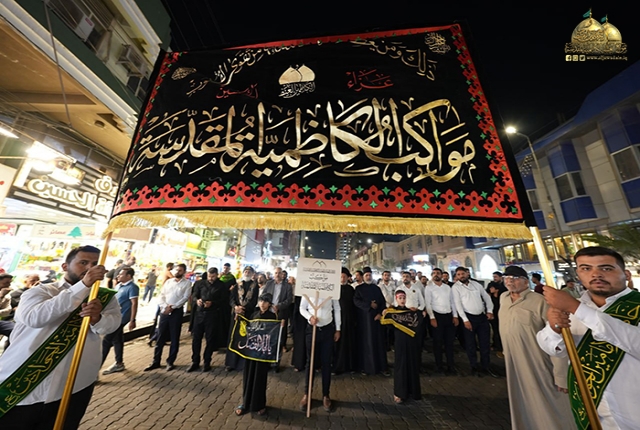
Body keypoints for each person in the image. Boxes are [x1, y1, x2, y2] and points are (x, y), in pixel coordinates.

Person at [0, 246, 120, 429]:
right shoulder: (41, 291)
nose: (90, 268)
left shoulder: (105, 298)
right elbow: (34, 318)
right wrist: (83, 287)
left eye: (95, 264)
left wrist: (97, 318)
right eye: (83, 262)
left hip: (75, 384)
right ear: (65, 266)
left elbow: (112, 325)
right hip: (23, 381)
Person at [537, 246, 640, 429]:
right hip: (593, 411)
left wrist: (577, 309)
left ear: (626, 274)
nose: (596, 274)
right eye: (586, 268)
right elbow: (554, 349)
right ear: (578, 274)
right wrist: (554, 328)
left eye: (606, 268)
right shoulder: (570, 307)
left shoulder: (635, 304)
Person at [499, 265, 576, 430]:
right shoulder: (504, 298)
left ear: (526, 282)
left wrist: (561, 375)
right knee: (521, 399)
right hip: (514, 361)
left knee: (548, 400)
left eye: (515, 278)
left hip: (537, 360)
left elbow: (557, 336)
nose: (510, 281)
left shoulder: (539, 301)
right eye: (507, 278)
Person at [298, 283, 341, 413]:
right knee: (310, 362)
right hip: (312, 330)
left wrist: (338, 328)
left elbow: (337, 308)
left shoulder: (331, 289)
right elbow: (302, 308)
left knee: (326, 363)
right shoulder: (308, 288)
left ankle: (326, 395)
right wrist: (309, 317)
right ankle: (307, 394)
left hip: (328, 330)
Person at [235, 293, 277, 417]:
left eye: (265, 302)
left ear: (269, 304)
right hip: (251, 352)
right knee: (248, 377)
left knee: (260, 378)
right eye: (261, 301)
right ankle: (245, 403)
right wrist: (239, 319)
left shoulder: (272, 317)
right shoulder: (253, 314)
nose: (262, 304)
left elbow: (274, 335)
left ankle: (259, 405)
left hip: (262, 354)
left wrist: (281, 325)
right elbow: (246, 329)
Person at [144, 263, 192, 371]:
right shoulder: (169, 282)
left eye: (180, 270)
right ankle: (156, 361)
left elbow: (185, 298)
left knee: (174, 337)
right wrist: (165, 306)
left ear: (184, 272)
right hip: (164, 311)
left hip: (176, 312)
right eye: (176, 270)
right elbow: (162, 295)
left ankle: (170, 361)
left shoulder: (187, 283)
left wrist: (173, 307)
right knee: (160, 336)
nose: (177, 272)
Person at [452, 266, 498, 377]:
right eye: (458, 274)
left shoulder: (476, 285)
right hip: (468, 318)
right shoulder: (456, 288)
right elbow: (458, 305)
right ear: (456, 276)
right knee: (470, 344)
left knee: (485, 343)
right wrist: (465, 320)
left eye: (463, 273)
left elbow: (487, 298)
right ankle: (474, 366)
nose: (461, 276)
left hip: (481, 317)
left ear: (467, 274)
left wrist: (489, 311)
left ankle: (486, 366)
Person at [188, 267, 228, 372]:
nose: (211, 278)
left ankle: (207, 362)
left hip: (212, 315)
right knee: (196, 339)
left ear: (217, 275)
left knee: (210, 339)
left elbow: (224, 300)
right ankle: (195, 361)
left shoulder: (221, 285)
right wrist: (197, 301)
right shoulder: (200, 283)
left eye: (213, 276)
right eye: (209, 276)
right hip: (199, 314)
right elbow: (194, 295)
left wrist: (213, 303)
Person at [385, 290, 421, 404]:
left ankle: (413, 392)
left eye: (404, 298)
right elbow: (388, 325)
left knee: (412, 364)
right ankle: (399, 393)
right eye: (400, 298)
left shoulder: (410, 311)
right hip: (399, 342)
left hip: (411, 342)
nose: (402, 300)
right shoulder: (393, 312)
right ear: (396, 299)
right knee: (400, 365)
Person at [102, 266, 139, 375]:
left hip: (122, 318)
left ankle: (95, 370)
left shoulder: (132, 287)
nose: (118, 276)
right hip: (114, 316)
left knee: (106, 341)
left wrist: (132, 320)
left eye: (121, 274)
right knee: (117, 340)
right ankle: (119, 363)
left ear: (129, 276)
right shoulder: (119, 285)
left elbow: (134, 304)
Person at [353, 268, 389, 376]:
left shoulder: (376, 288)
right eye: (366, 275)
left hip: (376, 321)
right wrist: (369, 305)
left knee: (378, 343)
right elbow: (356, 301)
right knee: (366, 343)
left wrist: (380, 313)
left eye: (370, 275)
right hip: (364, 321)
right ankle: (366, 368)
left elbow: (382, 302)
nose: (368, 277)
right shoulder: (359, 289)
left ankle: (381, 367)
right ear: (363, 277)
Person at [424, 268, 459, 375]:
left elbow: (452, 302)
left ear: (441, 275)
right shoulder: (429, 288)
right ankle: (439, 366)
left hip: (448, 316)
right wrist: (432, 317)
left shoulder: (447, 287)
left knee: (449, 343)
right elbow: (428, 303)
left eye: (438, 273)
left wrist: (455, 316)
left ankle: (451, 366)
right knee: (437, 343)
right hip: (437, 316)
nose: (436, 275)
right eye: (434, 273)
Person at [225, 266, 259, 372]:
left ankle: (242, 364)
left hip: (248, 315)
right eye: (246, 271)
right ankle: (230, 363)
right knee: (233, 337)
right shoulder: (237, 285)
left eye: (249, 271)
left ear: (252, 274)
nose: (247, 273)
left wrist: (244, 309)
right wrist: (236, 307)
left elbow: (255, 301)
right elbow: (231, 298)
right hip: (236, 315)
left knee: (245, 339)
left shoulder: (255, 286)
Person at [262, 267, 293, 370]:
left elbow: (289, 300)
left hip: (281, 314)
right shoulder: (269, 284)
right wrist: (269, 305)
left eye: (279, 273)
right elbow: (264, 295)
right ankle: (267, 362)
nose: (277, 275)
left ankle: (276, 363)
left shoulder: (287, 286)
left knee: (279, 339)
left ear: (282, 274)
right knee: (268, 338)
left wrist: (279, 306)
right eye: (276, 273)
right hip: (269, 313)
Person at [333, 267, 358, 374]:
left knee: (349, 342)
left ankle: (350, 366)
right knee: (338, 343)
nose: (342, 279)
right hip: (337, 320)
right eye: (341, 277)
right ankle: (338, 367)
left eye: (344, 277)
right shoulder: (334, 289)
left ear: (348, 278)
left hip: (349, 320)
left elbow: (354, 305)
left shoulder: (351, 289)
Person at [486, 271, 507, 358]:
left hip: (502, 315)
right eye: (493, 276)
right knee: (496, 331)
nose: (494, 278)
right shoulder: (490, 298)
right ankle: (497, 346)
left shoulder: (503, 293)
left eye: (496, 277)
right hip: (494, 316)